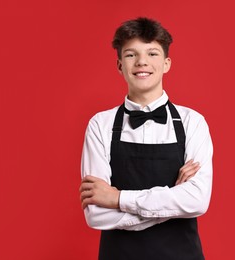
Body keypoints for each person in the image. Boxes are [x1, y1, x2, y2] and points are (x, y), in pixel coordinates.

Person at [79, 17, 213, 260]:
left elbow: (197, 201)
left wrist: (118, 198)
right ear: (120, 65)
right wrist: (172, 204)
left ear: (166, 63)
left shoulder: (193, 122)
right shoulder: (100, 125)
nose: (142, 62)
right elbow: (96, 214)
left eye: (152, 53)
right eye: (131, 55)